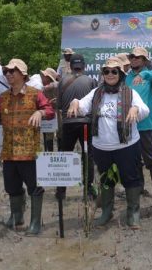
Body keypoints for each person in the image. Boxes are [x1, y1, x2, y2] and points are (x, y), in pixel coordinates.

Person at [0, 59, 54, 234]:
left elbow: (50, 111)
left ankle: (35, 222)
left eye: (12, 71)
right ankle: (17, 217)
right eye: (7, 71)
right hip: (9, 153)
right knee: (12, 188)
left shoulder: (35, 94)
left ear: (23, 75)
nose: (8, 74)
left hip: (30, 153)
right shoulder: (3, 98)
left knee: (35, 188)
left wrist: (40, 112)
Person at [68, 58, 149, 229]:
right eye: (106, 71)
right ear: (102, 74)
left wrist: (135, 109)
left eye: (114, 71)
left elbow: (144, 110)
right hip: (101, 147)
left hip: (126, 146)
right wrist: (75, 102)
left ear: (120, 74)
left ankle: (133, 212)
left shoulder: (130, 93)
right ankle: (106, 211)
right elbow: (82, 106)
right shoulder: (96, 93)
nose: (110, 74)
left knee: (131, 179)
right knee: (106, 180)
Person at [56, 53, 99, 201]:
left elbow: (60, 105)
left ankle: (61, 191)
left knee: (64, 156)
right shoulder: (91, 81)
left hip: (68, 123)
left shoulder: (62, 82)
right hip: (86, 124)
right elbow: (95, 104)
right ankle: (88, 189)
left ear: (70, 65)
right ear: (84, 66)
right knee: (88, 156)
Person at [126, 46, 152, 200]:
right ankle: (140, 188)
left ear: (144, 60)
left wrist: (145, 73)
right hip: (129, 125)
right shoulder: (126, 78)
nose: (134, 59)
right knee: (134, 159)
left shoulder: (149, 77)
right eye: (132, 57)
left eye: (138, 57)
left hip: (146, 126)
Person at [39, 67, 59, 152]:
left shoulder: (45, 88)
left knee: (49, 135)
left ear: (47, 77)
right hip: (54, 114)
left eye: (43, 75)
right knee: (56, 135)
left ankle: (49, 154)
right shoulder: (58, 86)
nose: (42, 77)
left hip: (51, 115)